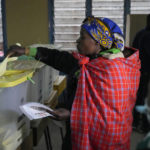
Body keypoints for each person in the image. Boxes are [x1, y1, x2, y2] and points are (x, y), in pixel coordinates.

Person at [8, 16, 140, 150]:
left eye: (82, 37)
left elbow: (108, 115)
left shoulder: (112, 70)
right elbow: (59, 58)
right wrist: (27, 51)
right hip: (78, 130)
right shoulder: (90, 63)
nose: (77, 40)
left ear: (98, 42)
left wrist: (72, 113)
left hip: (106, 140)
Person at [132, 14, 150, 133]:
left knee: (139, 97)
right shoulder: (147, 35)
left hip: (138, 70)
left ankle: (136, 122)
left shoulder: (140, 33)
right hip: (144, 71)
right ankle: (142, 124)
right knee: (142, 98)